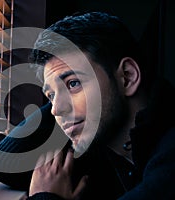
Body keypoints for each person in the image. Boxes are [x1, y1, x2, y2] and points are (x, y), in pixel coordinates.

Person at [24, 11, 175, 199]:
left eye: (73, 83)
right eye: (50, 96)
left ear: (127, 77)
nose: (55, 109)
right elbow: (3, 163)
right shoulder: (103, 143)